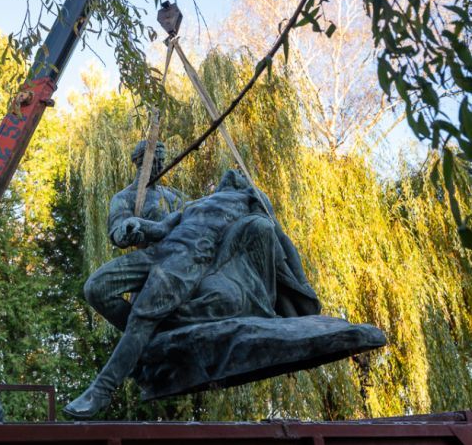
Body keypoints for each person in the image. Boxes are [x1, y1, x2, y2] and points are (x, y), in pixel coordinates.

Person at [64, 169, 320, 418]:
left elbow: (280, 241)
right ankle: (150, 338)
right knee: (96, 288)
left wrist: (302, 288)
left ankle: (102, 389)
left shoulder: (248, 201)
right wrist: (136, 224)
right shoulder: (194, 204)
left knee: (143, 316)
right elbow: (161, 229)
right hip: (160, 251)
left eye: (241, 175)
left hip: (188, 261)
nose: (233, 173)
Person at [83, 140, 184, 331]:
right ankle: (141, 331)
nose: (160, 166)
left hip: (179, 255)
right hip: (150, 256)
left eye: (162, 161)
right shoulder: (124, 197)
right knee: (95, 288)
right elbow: (118, 230)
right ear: (139, 161)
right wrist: (127, 232)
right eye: (155, 161)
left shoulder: (173, 196)